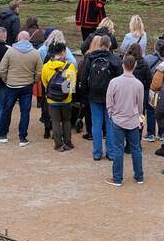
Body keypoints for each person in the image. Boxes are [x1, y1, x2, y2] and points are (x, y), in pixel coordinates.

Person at [104, 53, 146, 185]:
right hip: (132, 120)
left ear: (123, 65)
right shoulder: (138, 84)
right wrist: (138, 115)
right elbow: (140, 104)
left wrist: (111, 114)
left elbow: (109, 101)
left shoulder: (114, 82)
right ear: (134, 66)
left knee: (118, 149)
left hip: (118, 120)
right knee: (136, 149)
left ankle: (117, 178)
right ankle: (139, 176)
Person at [0, 30, 42, 146]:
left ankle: (2, 134)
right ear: (28, 39)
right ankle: (22, 137)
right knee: (25, 112)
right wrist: (34, 80)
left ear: (18, 38)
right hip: (27, 86)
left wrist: (6, 80)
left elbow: (2, 69)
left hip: (11, 86)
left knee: (6, 110)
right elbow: (39, 71)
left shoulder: (10, 51)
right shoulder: (35, 53)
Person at [82, 33, 123, 161]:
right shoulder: (115, 60)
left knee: (96, 124)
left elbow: (84, 78)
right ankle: (110, 152)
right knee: (110, 124)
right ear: (110, 45)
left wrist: (85, 95)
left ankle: (97, 152)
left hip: (94, 95)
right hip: (110, 97)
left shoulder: (90, 58)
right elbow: (119, 80)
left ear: (100, 44)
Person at [42, 41, 78, 151]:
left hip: (52, 100)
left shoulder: (46, 67)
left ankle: (58, 144)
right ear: (62, 52)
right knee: (66, 121)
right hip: (66, 99)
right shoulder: (70, 67)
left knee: (55, 121)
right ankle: (68, 142)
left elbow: (45, 83)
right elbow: (72, 85)